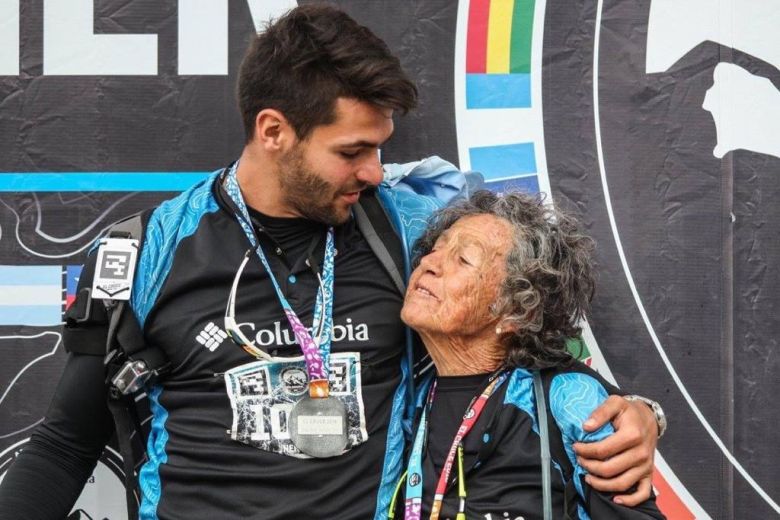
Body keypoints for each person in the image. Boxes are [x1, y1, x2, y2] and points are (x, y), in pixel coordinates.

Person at [0, 5, 662, 520]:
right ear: (273, 131)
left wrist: (632, 413)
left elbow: (523, 341)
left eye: (380, 148)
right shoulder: (145, 249)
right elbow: (64, 445)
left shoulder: (411, 231)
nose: (374, 171)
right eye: (351, 151)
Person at [396, 190, 666, 519]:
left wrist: (647, 413)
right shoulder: (408, 394)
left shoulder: (570, 401)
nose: (429, 263)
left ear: (516, 312)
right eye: (436, 249)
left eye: (463, 259)